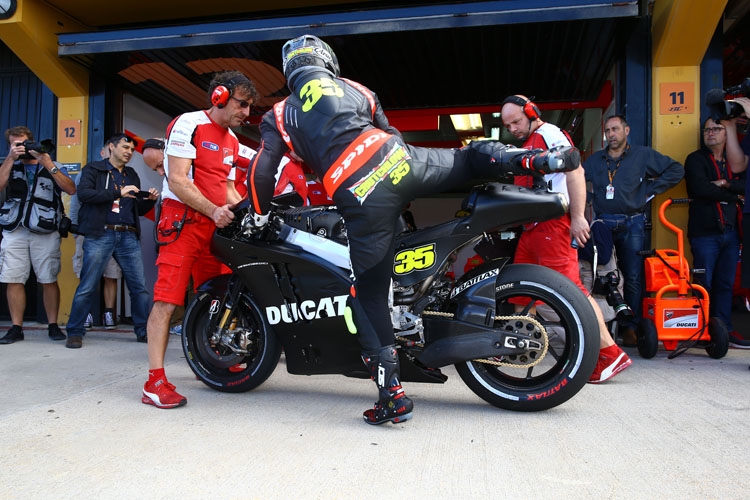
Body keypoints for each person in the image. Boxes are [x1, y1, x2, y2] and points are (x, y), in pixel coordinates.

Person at [245, 35, 579, 425]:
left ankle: (393, 397)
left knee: (366, 298)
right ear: (327, 61)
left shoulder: (280, 113)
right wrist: (399, 185)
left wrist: (258, 213)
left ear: (290, 71)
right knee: (469, 155)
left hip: (357, 193)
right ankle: (535, 159)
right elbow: (391, 133)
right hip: (398, 160)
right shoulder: (358, 88)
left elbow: (264, 169)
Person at [142, 71, 258, 409]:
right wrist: (214, 209)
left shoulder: (233, 141)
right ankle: (154, 381)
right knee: (168, 300)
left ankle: (206, 360)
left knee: (216, 298)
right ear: (219, 96)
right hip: (181, 223)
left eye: (250, 106)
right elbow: (177, 180)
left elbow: (228, 187)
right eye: (242, 104)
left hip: (213, 227)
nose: (247, 112)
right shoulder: (188, 124)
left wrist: (246, 212)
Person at [500, 95, 632, 383]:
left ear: (532, 113)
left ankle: (609, 355)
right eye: (508, 125)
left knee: (572, 292)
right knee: (520, 288)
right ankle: (515, 344)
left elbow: (575, 171)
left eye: (516, 121)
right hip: (534, 228)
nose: (513, 128)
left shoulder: (549, 134)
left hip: (554, 225)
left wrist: (578, 217)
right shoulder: (528, 141)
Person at [583, 115, 684, 321]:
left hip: (633, 224)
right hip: (604, 224)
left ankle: (631, 327)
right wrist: (589, 198)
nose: (611, 134)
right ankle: (607, 325)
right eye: (608, 131)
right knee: (603, 277)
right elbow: (573, 180)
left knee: (633, 277)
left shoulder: (643, 155)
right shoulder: (595, 160)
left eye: (615, 129)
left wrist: (649, 190)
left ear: (626, 131)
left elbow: (676, 170)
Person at [64, 134, 158, 348]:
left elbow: (135, 207)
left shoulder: (131, 174)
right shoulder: (94, 169)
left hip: (127, 233)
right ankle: (75, 331)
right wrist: (118, 192)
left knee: (139, 287)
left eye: (132, 149)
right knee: (88, 285)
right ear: (111, 147)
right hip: (100, 233)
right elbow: (85, 195)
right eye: (125, 147)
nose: (129, 151)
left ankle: (143, 330)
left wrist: (150, 202)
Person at [0, 126, 76, 344]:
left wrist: (48, 164)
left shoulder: (51, 163)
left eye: (23, 143)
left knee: (49, 278)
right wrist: (9, 158)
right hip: (14, 230)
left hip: (45, 229)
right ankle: (16, 328)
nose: (21, 148)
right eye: (15, 144)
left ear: (31, 142)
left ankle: (53, 325)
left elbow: (71, 189)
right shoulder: (9, 165)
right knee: (13, 279)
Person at [684, 117, 749, 349]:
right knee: (704, 283)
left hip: (731, 234)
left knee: (725, 284)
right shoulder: (695, 159)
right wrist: (734, 194)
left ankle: (724, 331)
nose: (710, 133)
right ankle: (702, 330)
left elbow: (745, 186)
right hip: (705, 234)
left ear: (726, 133)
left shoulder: (737, 161)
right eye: (707, 129)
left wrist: (725, 183)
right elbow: (700, 189)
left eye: (716, 129)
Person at [70, 141, 122, 330]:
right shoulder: (89, 172)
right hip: (89, 230)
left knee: (111, 273)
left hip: (113, 230)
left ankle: (109, 313)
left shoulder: (122, 175)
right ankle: (87, 314)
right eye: (107, 151)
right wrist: (76, 228)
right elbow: (77, 201)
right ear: (102, 152)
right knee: (87, 276)